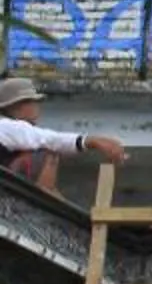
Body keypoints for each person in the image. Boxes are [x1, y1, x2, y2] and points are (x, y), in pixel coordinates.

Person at [0, 76, 130, 197]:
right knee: (48, 153)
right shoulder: (7, 126)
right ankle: (42, 202)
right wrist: (92, 141)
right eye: (33, 102)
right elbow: (51, 140)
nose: (37, 107)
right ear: (16, 106)